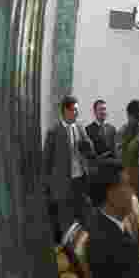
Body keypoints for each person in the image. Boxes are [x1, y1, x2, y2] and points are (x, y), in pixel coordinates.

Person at [44, 95, 95, 241]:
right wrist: (48, 188)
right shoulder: (54, 131)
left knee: (85, 217)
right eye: (74, 110)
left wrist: (87, 147)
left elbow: (90, 149)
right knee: (66, 222)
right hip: (62, 185)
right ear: (65, 111)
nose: (77, 113)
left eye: (77, 110)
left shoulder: (80, 127)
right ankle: (68, 253)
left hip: (80, 181)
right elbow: (46, 161)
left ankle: (85, 247)